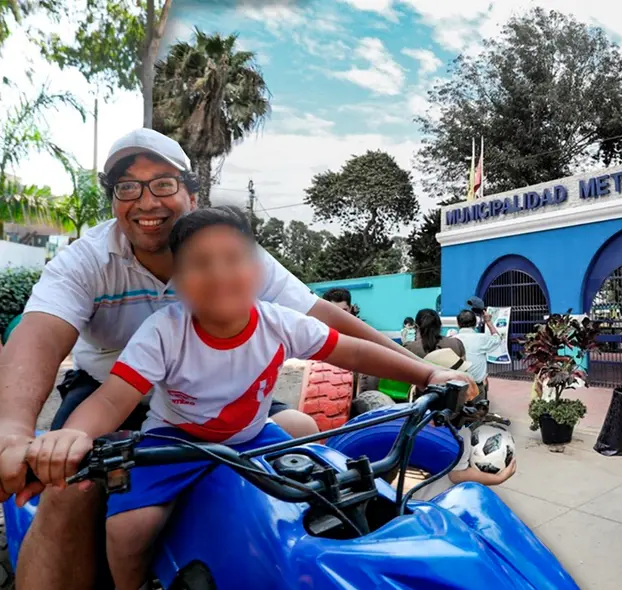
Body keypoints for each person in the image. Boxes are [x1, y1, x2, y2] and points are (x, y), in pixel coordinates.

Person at [0, 128, 425, 589]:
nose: (146, 202)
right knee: (70, 483)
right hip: (115, 389)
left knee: (302, 433)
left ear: (191, 192)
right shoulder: (89, 264)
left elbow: (325, 322)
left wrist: (426, 369)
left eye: (163, 183)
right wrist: (13, 432)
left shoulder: (232, 254)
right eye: (128, 186)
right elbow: (39, 334)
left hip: (216, 396)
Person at [409, 347, 516, 501]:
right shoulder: (457, 428)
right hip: (438, 502)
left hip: (413, 498)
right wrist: (498, 478)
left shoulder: (417, 413)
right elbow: (457, 475)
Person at [453, 309, 504, 401]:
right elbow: (497, 339)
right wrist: (488, 322)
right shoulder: (482, 338)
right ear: (475, 323)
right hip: (477, 388)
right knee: (477, 414)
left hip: (456, 389)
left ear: (458, 323)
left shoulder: (452, 340)